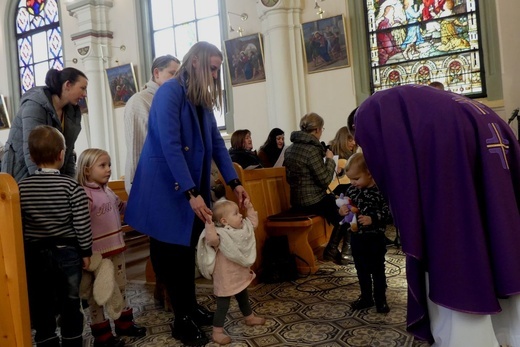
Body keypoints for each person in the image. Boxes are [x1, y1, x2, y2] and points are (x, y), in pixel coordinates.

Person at [355, 85, 520, 346]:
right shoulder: (474, 112)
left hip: (453, 231)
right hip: (501, 217)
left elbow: (401, 182)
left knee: (461, 269)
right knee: (501, 241)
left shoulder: (439, 127)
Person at [124, 41, 249, 347]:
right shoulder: (170, 91)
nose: (216, 75)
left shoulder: (201, 99)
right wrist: (191, 192)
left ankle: (191, 308)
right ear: (196, 63)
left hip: (188, 188)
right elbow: (169, 143)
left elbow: (216, 144)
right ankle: (181, 319)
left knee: (189, 252)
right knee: (175, 256)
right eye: (213, 68)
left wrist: (234, 183)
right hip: (167, 189)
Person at [19, 125, 92, 347]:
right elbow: (81, 223)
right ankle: (72, 342)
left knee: (41, 304)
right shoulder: (71, 186)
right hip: (67, 253)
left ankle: (47, 341)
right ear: (62, 155)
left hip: (34, 255)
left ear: (31, 157)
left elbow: (19, 225)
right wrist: (86, 252)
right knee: (70, 303)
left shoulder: (21, 187)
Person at [76, 149, 146, 347]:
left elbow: (120, 207)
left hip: (116, 249)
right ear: (87, 170)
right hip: (97, 256)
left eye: (109, 165)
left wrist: (137, 201)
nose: (108, 169)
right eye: (102, 165)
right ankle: (102, 335)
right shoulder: (85, 195)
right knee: (98, 294)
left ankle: (124, 324)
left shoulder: (107, 190)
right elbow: (80, 225)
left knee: (120, 287)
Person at [197, 199, 266, 344]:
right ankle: (217, 332)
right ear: (224, 221)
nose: (241, 216)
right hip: (225, 277)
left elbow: (253, 224)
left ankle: (249, 317)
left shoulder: (241, 230)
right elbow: (211, 241)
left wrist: (250, 208)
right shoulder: (220, 234)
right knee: (223, 305)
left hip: (239, 273)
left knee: (243, 296)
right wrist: (209, 224)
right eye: (236, 214)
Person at [1, 67, 88, 182]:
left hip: (52, 177)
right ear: (68, 85)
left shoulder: (72, 113)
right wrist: (42, 184)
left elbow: (68, 152)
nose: (85, 94)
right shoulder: (35, 105)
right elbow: (30, 149)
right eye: (82, 88)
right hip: (21, 172)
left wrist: (70, 182)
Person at [283, 112, 348, 262]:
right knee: (345, 208)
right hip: (313, 201)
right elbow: (325, 179)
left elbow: (288, 178)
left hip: (296, 201)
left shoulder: (290, 149)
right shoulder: (312, 150)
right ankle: (332, 249)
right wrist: (330, 160)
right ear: (318, 130)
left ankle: (335, 249)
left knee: (337, 204)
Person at [343, 153, 392, 313]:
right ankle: (366, 297)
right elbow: (346, 206)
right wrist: (342, 210)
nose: (352, 183)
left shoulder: (381, 191)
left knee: (377, 269)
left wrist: (373, 219)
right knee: (361, 268)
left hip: (375, 238)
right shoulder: (352, 190)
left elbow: (389, 214)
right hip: (357, 237)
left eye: (356, 178)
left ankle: (380, 300)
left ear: (369, 173)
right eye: (350, 179)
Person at [124, 54, 180, 194]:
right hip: (149, 180)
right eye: (172, 73)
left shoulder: (172, 100)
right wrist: (139, 185)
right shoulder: (139, 101)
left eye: (178, 76)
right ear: (156, 73)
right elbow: (137, 146)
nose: (176, 80)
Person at [329, 126, 357, 263]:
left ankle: (333, 247)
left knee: (351, 204)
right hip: (332, 194)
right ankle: (346, 250)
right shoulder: (331, 153)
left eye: (354, 140)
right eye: (350, 140)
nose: (353, 143)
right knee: (350, 207)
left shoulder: (349, 158)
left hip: (343, 193)